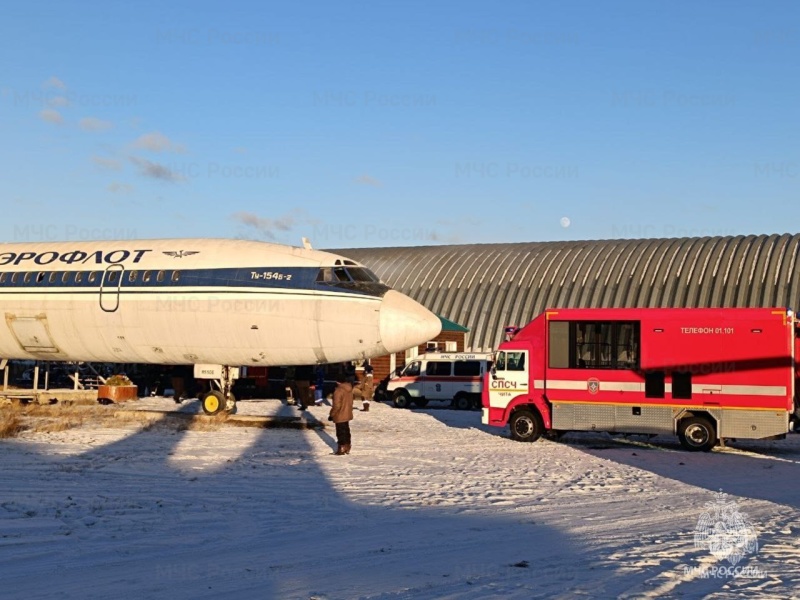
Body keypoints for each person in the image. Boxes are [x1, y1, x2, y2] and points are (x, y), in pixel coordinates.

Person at [329, 374, 354, 455]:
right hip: (347, 413)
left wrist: (331, 414)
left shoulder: (338, 391)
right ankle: (347, 446)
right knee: (346, 431)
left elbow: (337, 405)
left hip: (340, 414)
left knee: (340, 432)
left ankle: (341, 448)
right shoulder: (349, 389)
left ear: (337, 382)